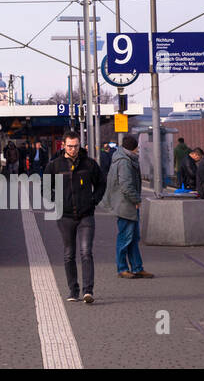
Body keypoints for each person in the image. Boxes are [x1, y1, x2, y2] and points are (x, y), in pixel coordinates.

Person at [45, 130, 106, 303]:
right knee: (69, 254)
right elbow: (45, 186)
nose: (73, 149)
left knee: (86, 252)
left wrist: (94, 200)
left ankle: (88, 291)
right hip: (64, 216)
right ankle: (73, 290)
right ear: (63, 145)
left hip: (86, 214)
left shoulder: (89, 164)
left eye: (76, 146)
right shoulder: (54, 165)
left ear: (80, 145)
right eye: (70, 146)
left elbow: (101, 183)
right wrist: (55, 201)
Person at [104, 134, 152, 279]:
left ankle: (137, 267)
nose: (138, 151)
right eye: (137, 148)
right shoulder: (125, 162)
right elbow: (126, 185)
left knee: (133, 237)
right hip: (126, 205)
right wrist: (137, 200)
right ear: (133, 148)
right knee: (125, 237)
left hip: (125, 204)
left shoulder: (122, 158)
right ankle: (122, 268)